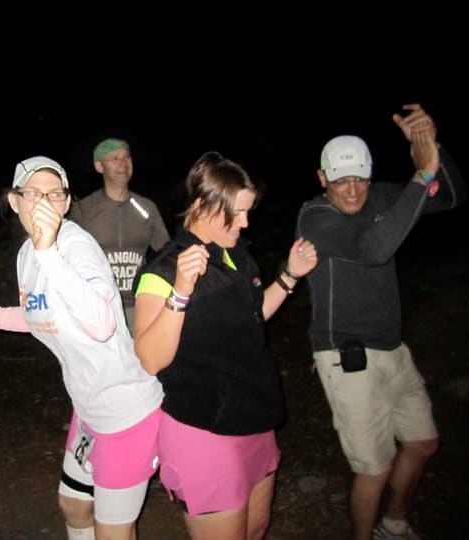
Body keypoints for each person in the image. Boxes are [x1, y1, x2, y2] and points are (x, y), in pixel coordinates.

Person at [0, 155, 163, 540]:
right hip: (89, 411)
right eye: (34, 193)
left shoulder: (75, 247)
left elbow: (103, 324)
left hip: (127, 414)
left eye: (55, 194)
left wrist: (49, 253)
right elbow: (37, 316)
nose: (44, 203)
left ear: (66, 202)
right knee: (73, 505)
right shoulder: (27, 256)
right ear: (14, 201)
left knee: (113, 533)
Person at [295, 104, 467, 540]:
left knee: (423, 443)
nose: (352, 191)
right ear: (322, 180)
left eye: (359, 180)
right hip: (346, 357)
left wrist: (430, 150)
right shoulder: (316, 217)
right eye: (340, 181)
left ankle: (393, 524)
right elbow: (374, 248)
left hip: (394, 349)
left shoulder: (383, 197)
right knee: (375, 468)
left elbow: (450, 195)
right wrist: (420, 176)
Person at [133, 151, 318, 540]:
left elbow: (251, 319)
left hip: (255, 419)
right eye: (238, 212)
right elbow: (150, 358)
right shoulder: (163, 271)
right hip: (206, 432)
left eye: (249, 211)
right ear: (203, 205)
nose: (247, 222)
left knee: (256, 528)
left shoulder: (238, 256)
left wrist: (288, 277)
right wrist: (180, 293)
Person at [69, 138, 170, 332]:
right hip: (98, 307)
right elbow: (70, 257)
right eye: (114, 158)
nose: (122, 163)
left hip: (138, 307)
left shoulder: (147, 208)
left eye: (126, 157)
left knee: (140, 361)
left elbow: (166, 254)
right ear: (99, 166)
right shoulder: (84, 210)